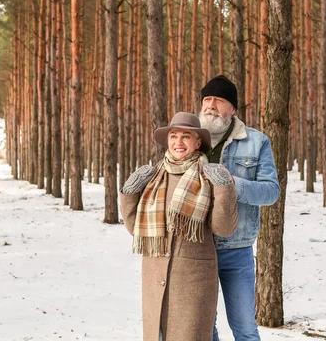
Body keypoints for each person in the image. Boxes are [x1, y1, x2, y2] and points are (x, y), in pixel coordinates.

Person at [119, 112, 239, 341]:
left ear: (198, 142)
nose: (179, 142)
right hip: (155, 276)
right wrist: (130, 192)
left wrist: (224, 188)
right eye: (173, 136)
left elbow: (224, 229)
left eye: (186, 136)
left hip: (193, 281)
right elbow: (135, 228)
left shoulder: (208, 177)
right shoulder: (154, 178)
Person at [198, 75, 281, 341]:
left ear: (232, 108)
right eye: (206, 99)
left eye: (218, 100)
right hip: (196, 249)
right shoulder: (187, 140)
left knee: (245, 328)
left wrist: (233, 184)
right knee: (203, 328)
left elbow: (271, 192)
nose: (210, 105)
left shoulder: (256, 142)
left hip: (237, 250)